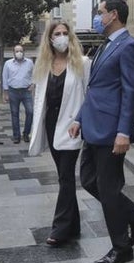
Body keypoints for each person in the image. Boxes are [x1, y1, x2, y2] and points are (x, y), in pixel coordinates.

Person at [71, 0, 134, 263]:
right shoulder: (106, 46)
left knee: (108, 188)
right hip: (93, 127)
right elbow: (96, 89)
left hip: (111, 132)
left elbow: (130, 92)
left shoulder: (129, 47)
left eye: (100, 12)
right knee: (89, 180)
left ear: (113, 15)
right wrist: (79, 118)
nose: (97, 17)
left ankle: (121, 247)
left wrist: (124, 132)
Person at [29, 20, 91, 246]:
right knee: (63, 176)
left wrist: (80, 120)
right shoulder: (44, 65)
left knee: (66, 176)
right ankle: (73, 226)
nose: (62, 37)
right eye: (57, 33)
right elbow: (40, 100)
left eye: (65, 33)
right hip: (52, 124)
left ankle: (60, 228)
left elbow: (89, 95)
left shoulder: (82, 63)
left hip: (72, 126)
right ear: (50, 38)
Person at [2, 44, 34, 143]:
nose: (19, 53)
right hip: (13, 91)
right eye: (17, 51)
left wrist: (33, 84)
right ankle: (16, 136)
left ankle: (26, 133)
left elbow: (35, 74)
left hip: (26, 91)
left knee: (30, 112)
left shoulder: (29, 62)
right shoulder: (8, 63)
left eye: (20, 51)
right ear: (13, 53)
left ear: (24, 52)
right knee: (14, 114)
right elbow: (5, 77)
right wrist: (6, 93)